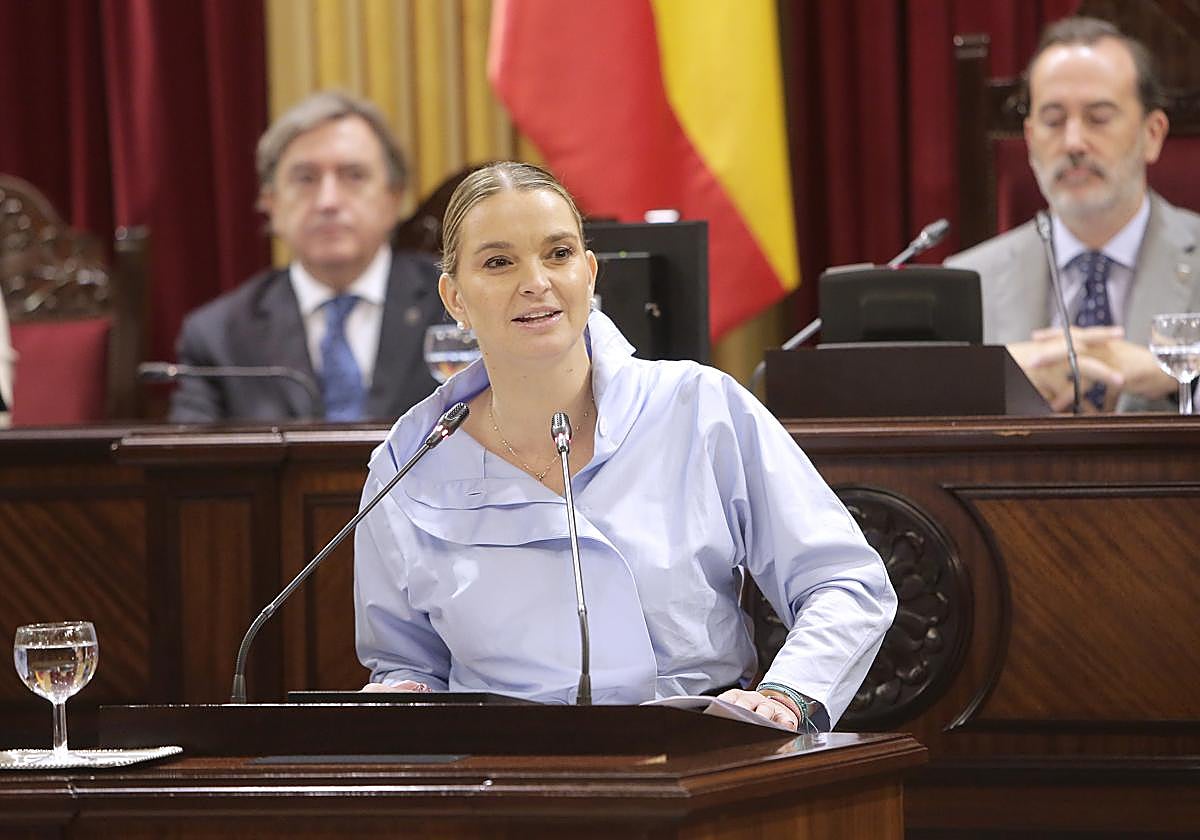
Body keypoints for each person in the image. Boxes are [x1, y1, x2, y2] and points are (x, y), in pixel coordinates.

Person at [353, 162, 896, 731]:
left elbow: (844, 582)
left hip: (693, 756)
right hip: (500, 777)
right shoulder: (411, 457)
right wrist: (401, 692)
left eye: (558, 254)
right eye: (498, 262)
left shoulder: (698, 406)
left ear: (590, 273)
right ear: (454, 297)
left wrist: (787, 695)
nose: (535, 281)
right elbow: (404, 661)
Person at [946, 16, 1200, 412]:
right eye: (1053, 120)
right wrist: (996, 377)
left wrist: (1180, 376)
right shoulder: (968, 280)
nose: (1074, 141)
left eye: (1099, 118)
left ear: (1152, 134)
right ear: (1029, 141)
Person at [169, 91, 444, 423]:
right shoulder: (217, 336)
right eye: (305, 179)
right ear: (271, 204)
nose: (328, 201)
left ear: (393, 198)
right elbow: (190, 466)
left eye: (354, 176)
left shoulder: (456, 308)